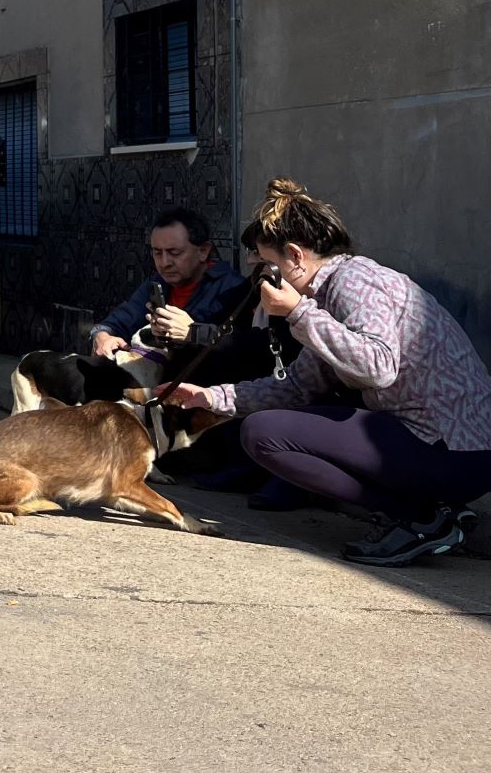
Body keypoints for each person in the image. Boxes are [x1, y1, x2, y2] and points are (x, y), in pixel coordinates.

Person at [164, 179, 491, 567]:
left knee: (265, 433)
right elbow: (300, 386)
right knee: (265, 431)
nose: (261, 281)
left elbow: (378, 366)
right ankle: (425, 515)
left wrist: (299, 314)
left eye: (267, 268)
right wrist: (210, 397)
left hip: (455, 450)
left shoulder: (357, 282)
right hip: (434, 444)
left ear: (296, 256)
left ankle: (422, 518)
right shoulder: (327, 293)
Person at [88, 208, 251, 361]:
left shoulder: (233, 289)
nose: (164, 263)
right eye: (157, 253)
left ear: (203, 251)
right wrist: (102, 336)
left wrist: (193, 333)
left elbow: (246, 348)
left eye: (175, 253)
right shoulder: (158, 282)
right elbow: (121, 320)